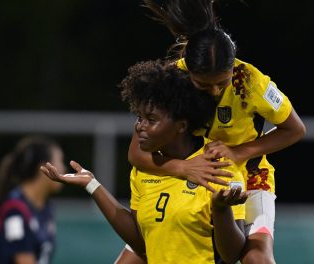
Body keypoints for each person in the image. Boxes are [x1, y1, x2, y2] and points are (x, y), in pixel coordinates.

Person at [121, 1, 307, 263]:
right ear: (189, 69)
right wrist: (182, 168)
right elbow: (136, 153)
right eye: (203, 84)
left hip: (250, 181)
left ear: (233, 67)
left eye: (223, 81)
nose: (216, 91)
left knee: (258, 259)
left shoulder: (252, 81)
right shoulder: (172, 81)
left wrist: (238, 151)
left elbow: (295, 129)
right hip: (186, 180)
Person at [41, 60, 248, 264]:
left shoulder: (217, 164)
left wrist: (221, 209)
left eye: (151, 119)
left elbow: (231, 255)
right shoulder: (145, 169)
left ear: (181, 125)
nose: (140, 127)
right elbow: (141, 245)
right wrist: (92, 185)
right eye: (139, 118)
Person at [0, 136, 65, 264]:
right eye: (60, 161)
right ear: (43, 168)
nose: (63, 168)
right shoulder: (15, 210)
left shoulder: (46, 208)